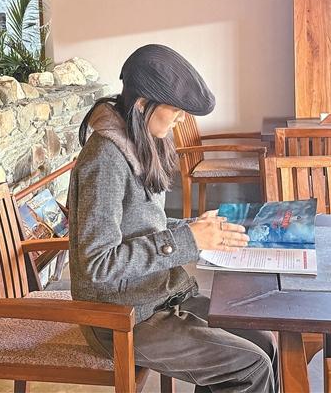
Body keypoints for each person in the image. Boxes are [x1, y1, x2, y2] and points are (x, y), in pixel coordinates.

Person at [68, 44, 278, 393]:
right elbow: (98, 264)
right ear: (141, 104)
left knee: (264, 343)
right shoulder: (105, 158)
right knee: (249, 365)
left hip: (158, 297)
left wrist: (195, 227)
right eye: (176, 110)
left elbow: (142, 227)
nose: (181, 119)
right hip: (122, 317)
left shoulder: (138, 138)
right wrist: (187, 241)